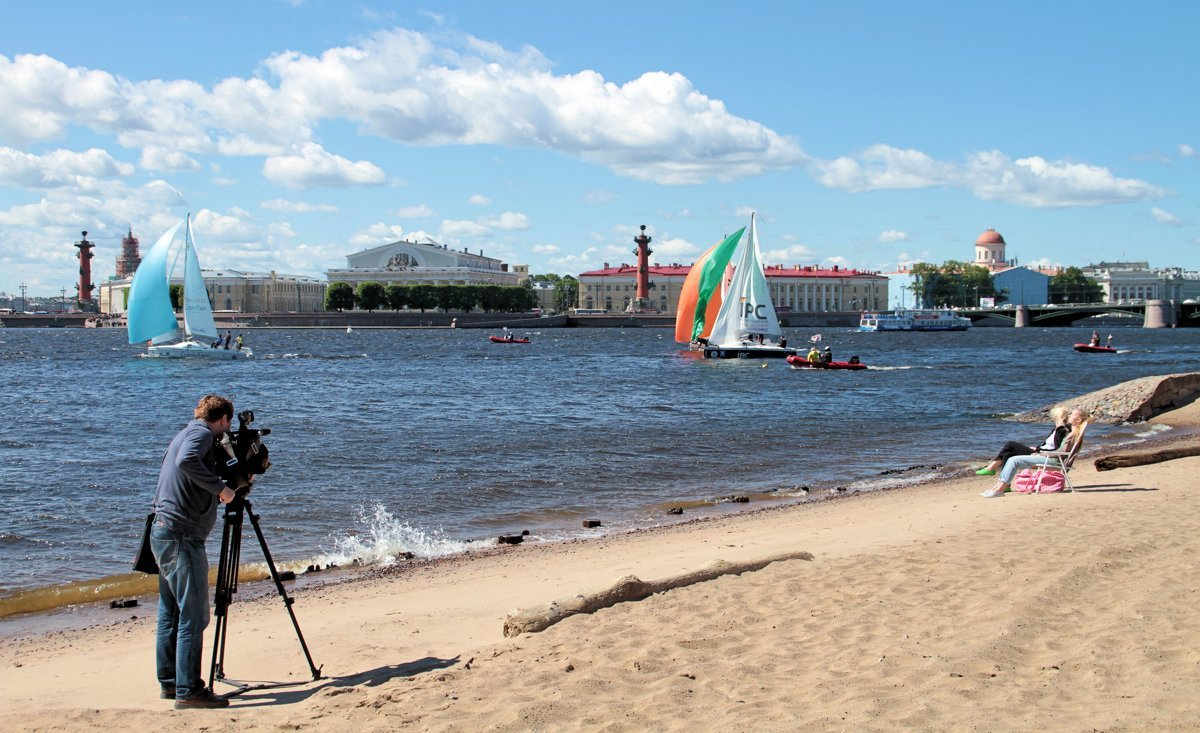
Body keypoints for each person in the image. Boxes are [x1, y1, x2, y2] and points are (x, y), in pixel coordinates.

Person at [150, 395, 237, 709]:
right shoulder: (201, 435)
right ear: (224, 419)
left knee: (171, 612)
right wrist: (222, 489)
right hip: (181, 536)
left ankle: (171, 683)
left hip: (163, 531)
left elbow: (186, 471)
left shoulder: (185, 432)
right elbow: (186, 462)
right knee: (195, 615)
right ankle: (189, 690)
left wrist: (231, 481)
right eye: (228, 424)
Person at [981, 408, 1089, 497]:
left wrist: (1041, 453)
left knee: (1014, 459)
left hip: (1053, 460)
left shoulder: (1071, 435)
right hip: (1051, 458)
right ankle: (996, 488)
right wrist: (1040, 451)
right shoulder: (1073, 433)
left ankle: (999, 490)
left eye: (1072, 414)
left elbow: (1060, 452)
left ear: (1078, 420)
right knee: (1010, 456)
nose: (1069, 416)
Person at [974, 407, 1069, 475]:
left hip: (1045, 456)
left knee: (1010, 444)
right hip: (1040, 452)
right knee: (1008, 454)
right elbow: (1048, 445)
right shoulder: (1056, 429)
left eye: (1053, 416)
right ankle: (1006, 484)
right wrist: (1037, 448)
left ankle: (991, 468)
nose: (1052, 417)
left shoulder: (1061, 430)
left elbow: (1056, 449)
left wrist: (1040, 452)